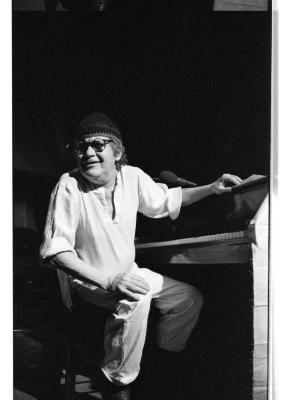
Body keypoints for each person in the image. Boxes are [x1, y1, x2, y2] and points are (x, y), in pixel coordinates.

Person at [40, 112, 242, 400]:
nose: (87, 153)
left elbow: (165, 201)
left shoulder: (132, 176)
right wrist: (109, 280)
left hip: (127, 273)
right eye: (80, 147)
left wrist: (212, 188)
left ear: (117, 151)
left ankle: (163, 367)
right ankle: (117, 385)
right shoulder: (69, 185)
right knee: (136, 297)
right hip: (87, 280)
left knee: (188, 299)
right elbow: (55, 251)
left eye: (97, 145)